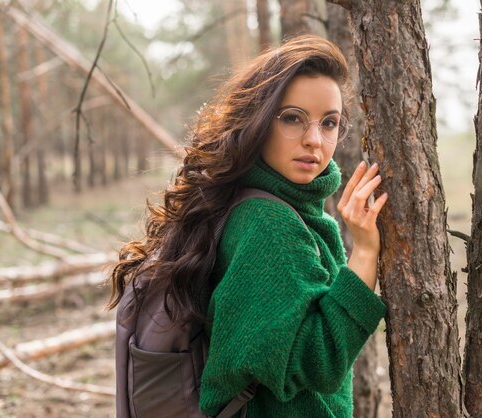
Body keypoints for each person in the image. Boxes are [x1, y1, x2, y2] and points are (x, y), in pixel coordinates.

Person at [108, 34, 389, 417]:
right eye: (292, 118)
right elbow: (314, 361)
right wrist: (367, 251)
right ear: (259, 119)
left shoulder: (250, 198)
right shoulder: (268, 223)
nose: (314, 140)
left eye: (329, 123)